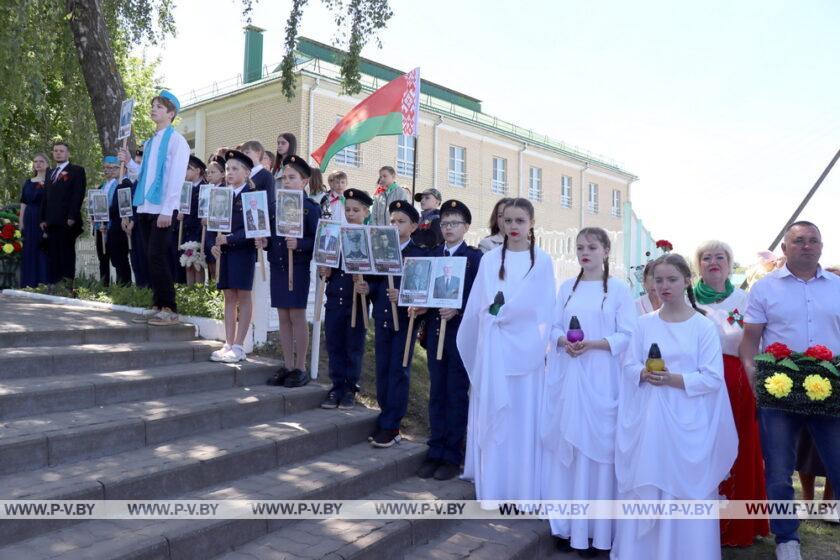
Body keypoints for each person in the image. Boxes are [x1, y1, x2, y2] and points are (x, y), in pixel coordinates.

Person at [612, 253, 737, 560]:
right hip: (649, 418)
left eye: (671, 279)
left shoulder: (703, 327)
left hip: (687, 420)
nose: (664, 286)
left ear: (686, 281)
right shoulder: (642, 325)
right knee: (649, 479)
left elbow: (711, 378)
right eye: (658, 280)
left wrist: (672, 379)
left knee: (683, 487)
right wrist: (642, 372)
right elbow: (628, 366)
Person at [740, 221, 840, 560]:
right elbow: (750, 340)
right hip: (778, 392)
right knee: (779, 469)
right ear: (785, 248)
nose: (807, 246)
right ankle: (787, 539)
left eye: (813, 240)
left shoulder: (838, 287)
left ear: (822, 247)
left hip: (831, 391)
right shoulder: (764, 289)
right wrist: (755, 380)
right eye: (799, 240)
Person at [540, 227, 635, 557]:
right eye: (580, 247)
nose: (585, 252)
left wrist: (595, 344)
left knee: (599, 454)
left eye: (592, 247)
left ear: (606, 251)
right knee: (571, 448)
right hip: (570, 376)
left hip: (602, 378)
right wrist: (562, 340)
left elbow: (629, 334)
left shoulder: (620, 290)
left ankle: (599, 533)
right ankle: (567, 528)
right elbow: (551, 327)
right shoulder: (566, 288)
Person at [457, 198, 557, 504]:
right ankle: (495, 486)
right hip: (496, 347)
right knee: (496, 417)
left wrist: (513, 316)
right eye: (508, 220)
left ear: (531, 223)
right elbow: (479, 306)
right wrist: (495, 315)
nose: (513, 227)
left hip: (527, 351)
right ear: (500, 222)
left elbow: (546, 308)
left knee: (523, 419)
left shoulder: (542, 259)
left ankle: (522, 487)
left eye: (520, 221)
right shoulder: (489, 261)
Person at [693, 240, 769, 547]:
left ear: (729, 263)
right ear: (698, 265)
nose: (713, 262)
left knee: (740, 444)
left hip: (737, 381)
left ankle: (738, 526)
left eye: (720, 257)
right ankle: (701, 527)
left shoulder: (745, 299)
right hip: (698, 384)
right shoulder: (686, 299)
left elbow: (755, 340)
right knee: (702, 447)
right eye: (706, 257)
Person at [414, 199, 482, 481]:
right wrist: (419, 306)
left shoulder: (475, 259)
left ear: (466, 227)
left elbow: (480, 298)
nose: (449, 228)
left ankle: (453, 454)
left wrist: (459, 307)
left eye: (455, 223)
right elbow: (426, 290)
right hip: (435, 334)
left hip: (459, 337)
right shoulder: (433, 255)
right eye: (445, 224)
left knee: (455, 394)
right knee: (437, 393)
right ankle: (436, 449)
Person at [119, 90, 190, 326]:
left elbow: (176, 177)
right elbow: (144, 175)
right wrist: (129, 161)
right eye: (153, 106)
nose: (153, 109)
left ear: (171, 113)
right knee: (149, 258)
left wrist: (167, 210)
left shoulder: (176, 141)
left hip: (162, 209)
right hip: (145, 206)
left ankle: (170, 307)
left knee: (157, 256)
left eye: (159, 107)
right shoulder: (149, 143)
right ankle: (158, 304)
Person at [361, 200, 426, 447]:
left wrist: (403, 295)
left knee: (399, 371)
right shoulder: (382, 250)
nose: (395, 226)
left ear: (414, 226)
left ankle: (392, 425)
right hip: (383, 317)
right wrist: (368, 288)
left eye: (401, 222)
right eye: (392, 221)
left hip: (406, 322)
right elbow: (376, 282)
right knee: (383, 369)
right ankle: (384, 415)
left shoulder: (418, 254)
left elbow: (420, 289)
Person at [265, 155, 321, 388]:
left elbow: (318, 240)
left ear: (305, 181)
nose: (287, 182)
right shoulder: (277, 206)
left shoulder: (310, 209)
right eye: (284, 178)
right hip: (279, 267)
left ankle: (300, 367)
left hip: (296, 268)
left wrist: (299, 244)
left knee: (297, 317)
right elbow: (270, 234)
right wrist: (263, 241)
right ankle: (287, 365)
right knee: (283, 317)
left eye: (292, 177)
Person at [318, 188, 373, 410]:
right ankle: (336, 386)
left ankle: (350, 388)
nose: (351, 214)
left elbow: (377, 273)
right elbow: (326, 261)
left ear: (366, 212)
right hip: (335, 297)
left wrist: (367, 284)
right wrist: (325, 269)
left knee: (353, 345)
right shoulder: (335, 233)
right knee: (334, 343)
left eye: (356, 210)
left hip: (356, 301)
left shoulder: (370, 237)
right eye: (347, 209)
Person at [209, 150, 266, 363]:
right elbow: (212, 224)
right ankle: (228, 342)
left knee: (243, 296)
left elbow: (254, 229)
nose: (229, 172)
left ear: (247, 172)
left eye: (235, 169)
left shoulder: (252, 196)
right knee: (228, 297)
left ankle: (239, 346)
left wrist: (230, 239)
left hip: (243, 252)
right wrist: (212, 246)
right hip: (224, 252)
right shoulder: (221, 194)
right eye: (227, 169)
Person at [40, 140, 87, 286]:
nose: (58, 153)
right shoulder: (50, 173)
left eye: (61, 151)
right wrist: (42, 218)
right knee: (53, 254)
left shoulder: (77, 170)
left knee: (66, 253)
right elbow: (45, 197)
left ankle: (67, 286)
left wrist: (72, 216)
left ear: (68, 153)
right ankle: (54, 285)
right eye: (56, 151)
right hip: (51, 221)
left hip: (67, 220)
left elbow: (78, 194)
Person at [95, 156, 132, 286]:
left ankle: (123, 287)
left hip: (117, 225)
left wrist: (105, 215)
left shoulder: (122, 184)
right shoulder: (101, 186)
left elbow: (120, 207)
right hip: (102, 227)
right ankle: (104, 286)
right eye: (105, 167)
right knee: (104, 258)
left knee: (119, 259)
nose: (108, 170)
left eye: (112, 167)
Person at [19, 153, 50, 287]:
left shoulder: (51, 182)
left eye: (41, 161)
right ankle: (28, 283)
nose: (38, 164)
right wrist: (21, 222)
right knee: (29, 249)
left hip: (43, 217)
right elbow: (23, 203)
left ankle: (43, 282)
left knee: (42, 249)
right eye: (35, 161)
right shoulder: (28, 182)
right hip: (29, 218)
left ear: (47, 164)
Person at [178, 155, 206, 286]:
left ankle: (199, 294)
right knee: (187, 263)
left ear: (198, 171)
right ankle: (190, 293)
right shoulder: (186, 187)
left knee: (197, 263)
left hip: (199, 230)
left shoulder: (205, 188)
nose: (185, 171)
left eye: (188, 168)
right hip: (187, 229)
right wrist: (180, 214)